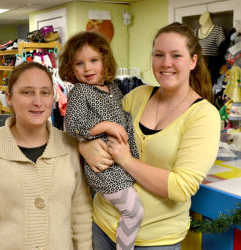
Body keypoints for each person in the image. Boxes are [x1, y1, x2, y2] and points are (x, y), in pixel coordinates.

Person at [79, 22, 221, 249]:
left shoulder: (204, 116)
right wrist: (84, 145)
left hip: (155, 240)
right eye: (159, 55)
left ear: (193, 61)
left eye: (176, 55)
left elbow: (180, 187)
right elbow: (98, 130)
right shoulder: (137, 95)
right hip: (102, 225)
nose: (166, 63)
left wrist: (126, 160)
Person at [0, 62, 93, 250]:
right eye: (27, 92)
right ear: (9, 98)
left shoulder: (70, 147)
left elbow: (81, 217)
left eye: (45, 92)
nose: (37, 101)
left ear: (53, 98)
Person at [59, 31, 143, 250]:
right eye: (79, 63)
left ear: (105, 60)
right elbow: (72, 126)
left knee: (132, 207)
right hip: (104, 168)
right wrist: (105, 126)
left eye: (93, 60)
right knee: (134, 211)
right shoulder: (80, 91)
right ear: (71, 67)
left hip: (121, 163)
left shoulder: (113, 87)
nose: (87, 68)